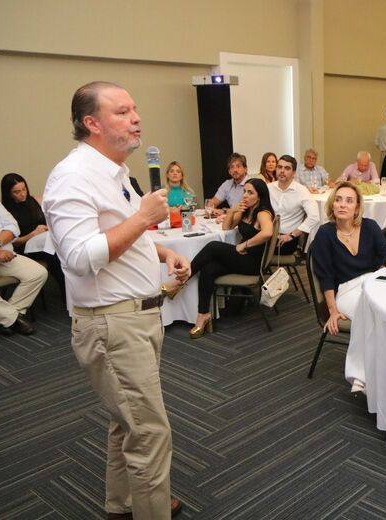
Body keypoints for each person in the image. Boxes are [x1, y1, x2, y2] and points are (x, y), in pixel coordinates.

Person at [43, 81, 190, 519]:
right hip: (112, 325)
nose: (137, 118)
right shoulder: (73, 177)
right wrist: (145, 217)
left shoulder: (116, 172)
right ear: (92, 123)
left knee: (125, 422)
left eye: (135, 109)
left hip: (136, 320)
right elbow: (79, 256)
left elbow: (121, 237)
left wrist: (164, 252)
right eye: (123, 112)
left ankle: (124, 503)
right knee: (150, 434)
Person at [163, 178, 274, 339]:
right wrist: (233, 210)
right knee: (209, 269)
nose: (246, 195)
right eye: (245, 191)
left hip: (252, 263)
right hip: (241, 259)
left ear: (260, 196)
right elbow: (226, 227)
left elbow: (267, 232)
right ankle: (203, 316)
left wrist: (245, 244)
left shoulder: (263, 212)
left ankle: (180, 281)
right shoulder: (247, 210)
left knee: (213, 246)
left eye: (250, 193)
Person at [311, 181, 386, 336]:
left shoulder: (370, 226)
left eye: (349, 201)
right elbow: (325, 276)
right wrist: (332, 311)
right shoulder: (325, 233)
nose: (342, 205)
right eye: (338, 200)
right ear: (332, 205)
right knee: (380, 316)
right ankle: (372, 358)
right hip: (346, 290)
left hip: (373, 282)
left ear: (357, 207)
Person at [0, 168, 47, 335]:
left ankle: (7, 317)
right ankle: (13, 319)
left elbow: (12, 226)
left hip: (6, 255)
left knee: (38, 273)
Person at [0, 172, 65, 301]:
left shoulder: (36, 200)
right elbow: (14, 242)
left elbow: (53, 218)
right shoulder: (4, 211)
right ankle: (69, 298)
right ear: (8, 193)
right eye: (16, 192)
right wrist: (34, 233)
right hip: (27, 246)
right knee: (55, 257)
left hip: (48, 239)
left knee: (65, 251)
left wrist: (50, 227)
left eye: (24, 189)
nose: (22, 194)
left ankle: (80, 292)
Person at [268, 154, 320, 255]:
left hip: (285, 240)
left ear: (294, 173)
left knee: (248, 249)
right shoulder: (268, 188)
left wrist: (292, 235)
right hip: (267, 234)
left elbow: (314, 216)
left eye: (287, 168)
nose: (282, 171)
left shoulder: (301, 191)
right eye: (279, 167)